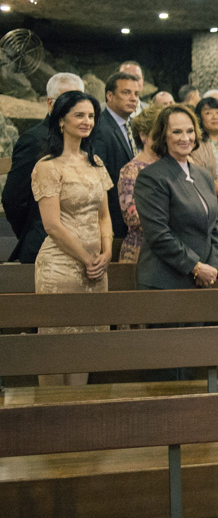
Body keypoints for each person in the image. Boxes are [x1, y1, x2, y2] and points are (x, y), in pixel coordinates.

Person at [31, 90, 114, 387]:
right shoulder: (47, 166)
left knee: (87, 344)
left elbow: (104, 216)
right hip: (60, 266)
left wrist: (106, 254)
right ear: (61, 120)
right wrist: (86, 258)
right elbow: (52, 224)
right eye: (79, 115)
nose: (86, 121)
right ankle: (51, 416)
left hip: (96, 267)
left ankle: (79, 407)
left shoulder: (96, 163)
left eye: (91, 116)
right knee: (56, 344)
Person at [134, 105, 218, 290]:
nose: (185, 138)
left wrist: (212, 267)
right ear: (163, 137)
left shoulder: (203, 175)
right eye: (177, 132)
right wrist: (195, 267)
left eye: (190, 131)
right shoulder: (152, 176)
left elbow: (215, 225)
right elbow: (158, 234)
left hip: (203, 280)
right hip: (165, 282)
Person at [3, 72, 84, 263]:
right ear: (50, 103)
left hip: (82, 242)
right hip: (44, 244)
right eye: (68, 101)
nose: (75, 108)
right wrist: (32, 231)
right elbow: (13, 198)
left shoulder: (85, 140)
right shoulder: (35, 140)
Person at [92, 71, 141, 238]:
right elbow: (100, 178)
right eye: (126, 92)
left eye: (136, 94)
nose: (133, 98)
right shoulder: (100, 128)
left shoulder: (134, 127)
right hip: (112, 218)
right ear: (110, 96)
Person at [116, 104, 162, 262]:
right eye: (159, 133)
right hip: (141, 252)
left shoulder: (174, 164)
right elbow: (132, 216)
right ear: (143, 135)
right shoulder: (132, 170)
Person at [191, 96, 218, 207]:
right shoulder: (194, 144)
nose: (215, 117)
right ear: (199, 118)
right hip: (207, 201)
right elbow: (197, 175)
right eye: (208, 113)